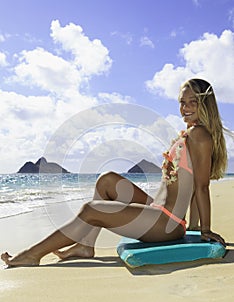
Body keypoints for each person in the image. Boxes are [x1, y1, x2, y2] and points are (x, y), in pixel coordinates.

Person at [1, 78, 227, 267]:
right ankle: (85, 245)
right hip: (157, 211)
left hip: (166, 223)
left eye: (193, 102)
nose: (185, 107)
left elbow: (201, 186)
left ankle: (33, 255)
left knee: (91, 210)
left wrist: (203, 230)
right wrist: (195, 228)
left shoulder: (200, 136)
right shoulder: (189, 133)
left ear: (205, 104)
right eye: (182, 102)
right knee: (107, 180)